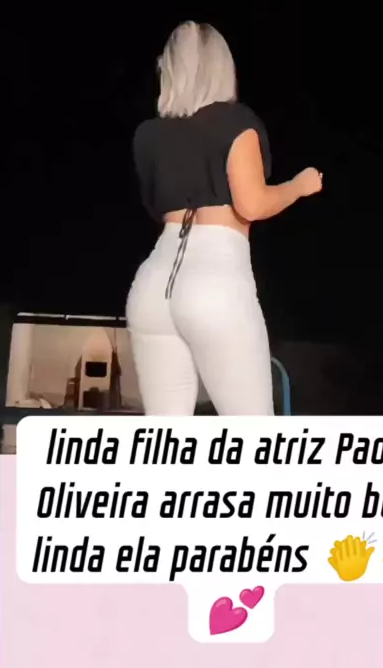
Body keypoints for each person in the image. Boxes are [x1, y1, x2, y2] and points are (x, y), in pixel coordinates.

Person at [126, 21, 323, 416]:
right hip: (215, 276)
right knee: (254, 435)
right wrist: (299, 186)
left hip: (153, 283)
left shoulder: (148, 136)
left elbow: (155, 208)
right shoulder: (235, 122)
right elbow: (252, 205)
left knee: (163, 436)